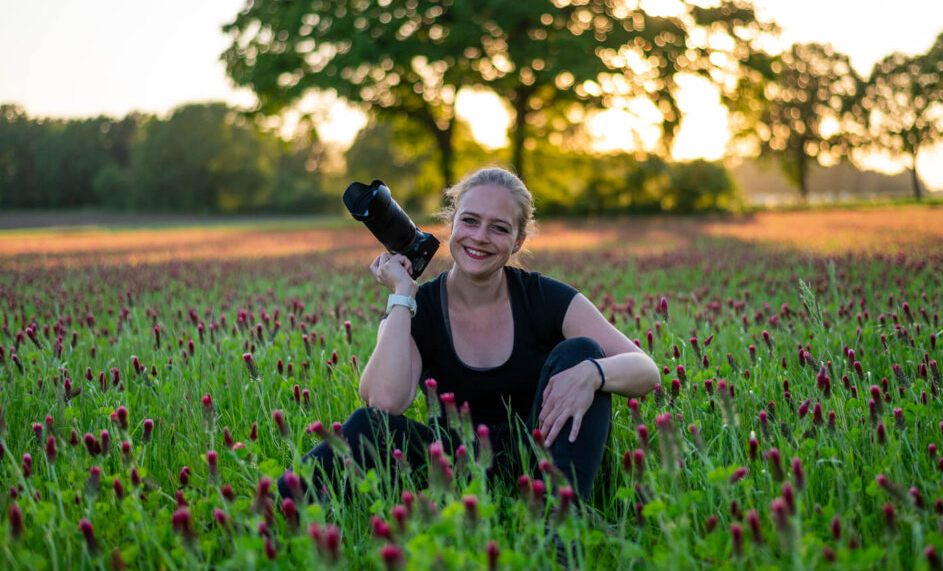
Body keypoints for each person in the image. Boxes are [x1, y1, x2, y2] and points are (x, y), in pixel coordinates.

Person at [278, 167, 660, 503]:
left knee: (582, 352)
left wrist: (595, 373)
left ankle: (561, 524)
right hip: (452, 465)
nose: (480, 237)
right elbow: (384, 400)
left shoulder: (545, 297)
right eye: (470, 221)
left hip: (540, 455)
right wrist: (401, 297)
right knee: (364, 425)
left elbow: (647, 370)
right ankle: (297, 506)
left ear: (518, 242)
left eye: (499, 228)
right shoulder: (419, 306)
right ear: (452, 225)